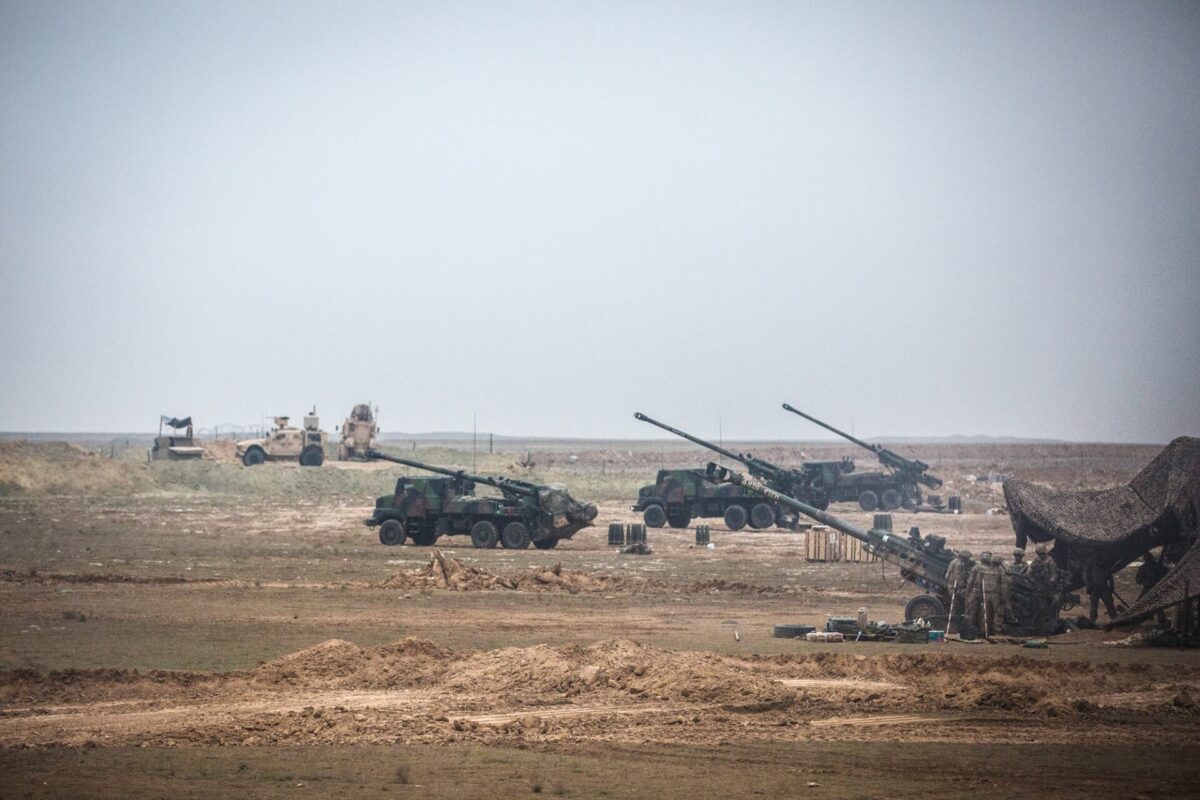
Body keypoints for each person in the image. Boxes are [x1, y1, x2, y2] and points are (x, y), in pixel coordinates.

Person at [966, 551, 1009, 638]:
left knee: (985, 613)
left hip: (985, 594)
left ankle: (984, 631)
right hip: (996, 595)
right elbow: (1004, 586)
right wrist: (1004, 598)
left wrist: (971, 592)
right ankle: (997, 632)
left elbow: (976, 582)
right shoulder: (1000, 571)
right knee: (998, 613)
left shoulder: (985, 570)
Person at [1135, 550, 1170, 625]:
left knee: (1141, 604)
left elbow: (1138, 580)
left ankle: (1159, 619)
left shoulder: (1144, 568)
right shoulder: (1158, 566)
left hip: (1150, 588)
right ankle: (1154, 617)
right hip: (1153, 588)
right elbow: (1138, 580)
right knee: (1156, 604)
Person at [1083, 551, 1119, 623]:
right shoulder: (1090, 564)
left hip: (1103, 587)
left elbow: (1110, 576)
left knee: (1109, 604)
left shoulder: (1104, 564)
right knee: (1094, 605)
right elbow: (1086, 576)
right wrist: (1088, 587)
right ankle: (1093, 621)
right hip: (1095, 587)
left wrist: (1111, 587)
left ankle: (1115, 620)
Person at [944, 550, 972, 634]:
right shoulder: (959, 564)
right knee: (954, 606)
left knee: (956, 606)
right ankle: (952, 628)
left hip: (951, 584)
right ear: (963, 558)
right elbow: (958, 577)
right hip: (953, 587)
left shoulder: (954, 561)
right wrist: (963, 587)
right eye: (966, 559)